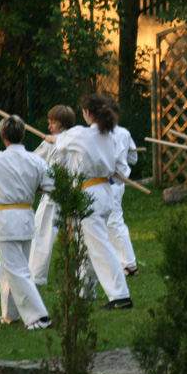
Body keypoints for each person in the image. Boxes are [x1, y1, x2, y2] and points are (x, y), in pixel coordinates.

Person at [47, 94, 133, 310]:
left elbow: (61, 145)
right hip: (105, 191)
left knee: (99, 245)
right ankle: (84, 290)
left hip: (88, 194)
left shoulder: (80, 134)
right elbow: (123, 171)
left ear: (87, 112)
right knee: (88, 244)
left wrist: (52, 139)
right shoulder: (112, 136)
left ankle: (120, 295)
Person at [0, 115, 53, 330]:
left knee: (16, 271)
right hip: (25, 215)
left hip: (5, 219)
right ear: (23, 135)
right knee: (10, 269)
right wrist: (28, 188)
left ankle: (40, 317)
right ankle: (10, 315)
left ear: (2, 136)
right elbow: (48, 185)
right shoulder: (36, 160)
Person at [29, 105, 75, 285]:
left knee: (42, 234)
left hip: (57, 197)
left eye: (53, 123)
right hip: (72, 195)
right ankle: (79, 280)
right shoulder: (78, 140)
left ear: (63, 123)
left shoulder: (55, 142)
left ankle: (36, 277)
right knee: (74, 237)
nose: (49, 127)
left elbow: (32, 162)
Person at [105, 98, 140, 277]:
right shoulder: (124, 133)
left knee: (114, 221)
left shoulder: (108, 134)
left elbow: (132, 158)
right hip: (114, 183)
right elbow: (133, 159)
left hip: (113, 182)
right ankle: (115, 261)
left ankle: (130, 264)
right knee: (107, 222)